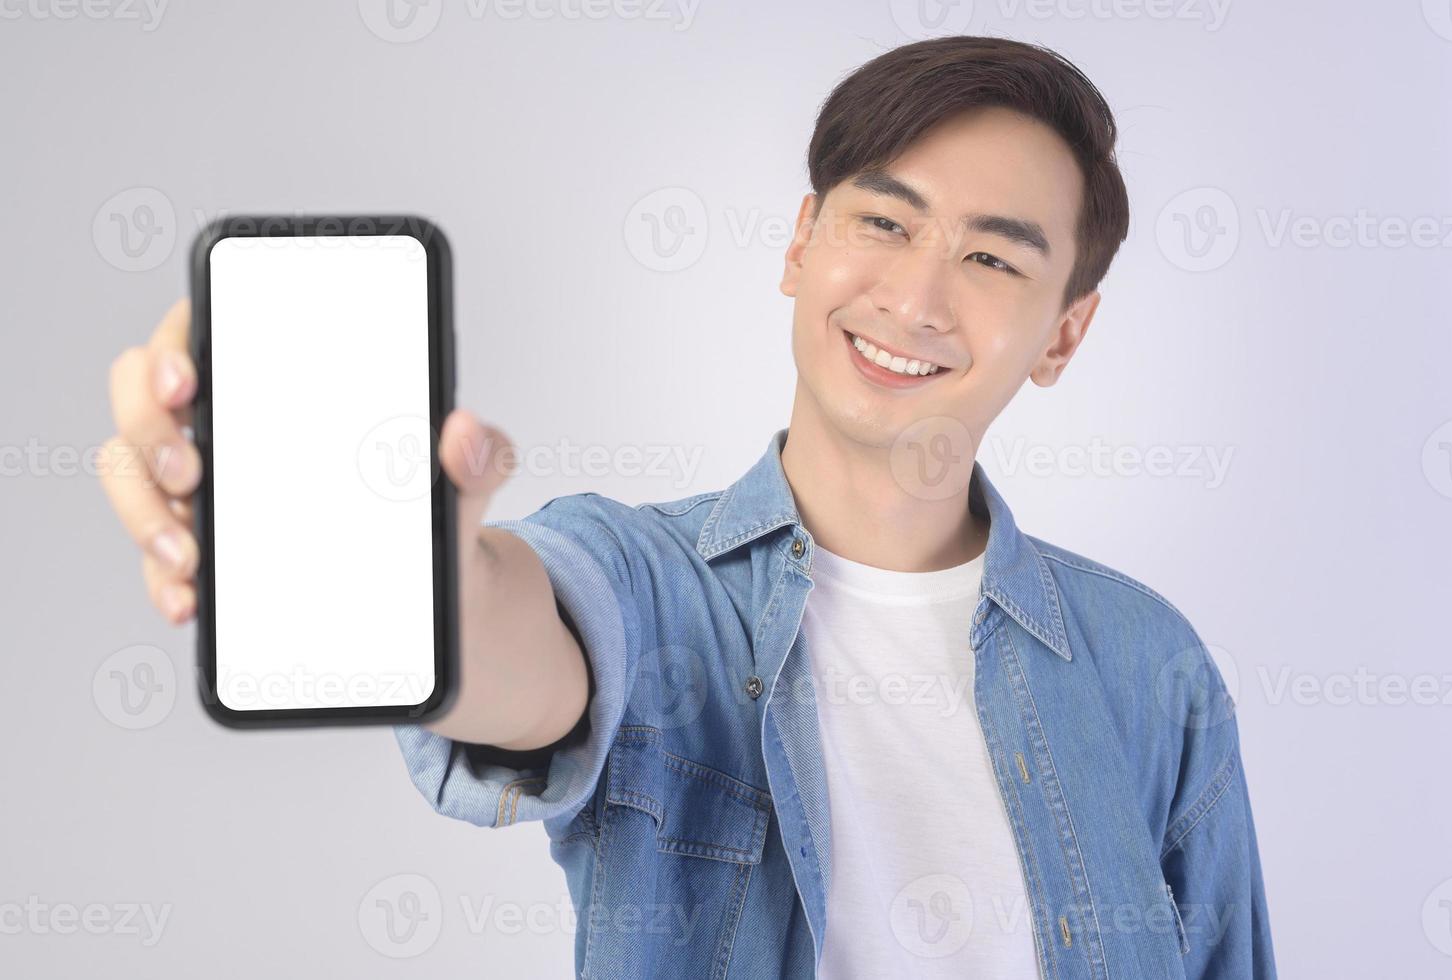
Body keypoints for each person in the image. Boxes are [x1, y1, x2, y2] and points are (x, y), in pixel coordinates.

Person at [100, 34, 1276, 980]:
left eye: (992, 260)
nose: (915, 295)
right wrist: (411, 563)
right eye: (883, 220)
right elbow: (520, 639)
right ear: (801, 244)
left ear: (1065, 331)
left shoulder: (1147, 660)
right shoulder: (646, 576)